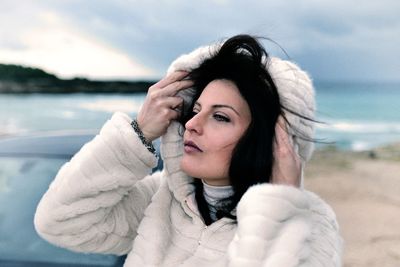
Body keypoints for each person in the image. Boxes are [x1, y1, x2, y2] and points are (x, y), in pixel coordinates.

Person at [34, 34, 342, 266]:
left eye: (220, 116)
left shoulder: (309, 227)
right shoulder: (162, 199)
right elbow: (59, 221)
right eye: (194, 110)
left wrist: (280, 210)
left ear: (270, 141)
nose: (192, 124)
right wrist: (138, 134)